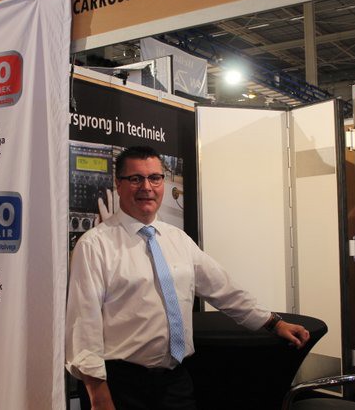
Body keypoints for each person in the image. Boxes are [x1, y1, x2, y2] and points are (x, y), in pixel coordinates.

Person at [65, 146, 310, 410]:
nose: (146, 187)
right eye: (135, 179)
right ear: (118, 184)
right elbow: (84, 324)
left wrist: (273, 322)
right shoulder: (94, 245)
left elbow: (223, 289)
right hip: (120, 386)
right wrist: (99, 396)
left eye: (154, 178)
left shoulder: (178, 240)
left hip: (175, 382)